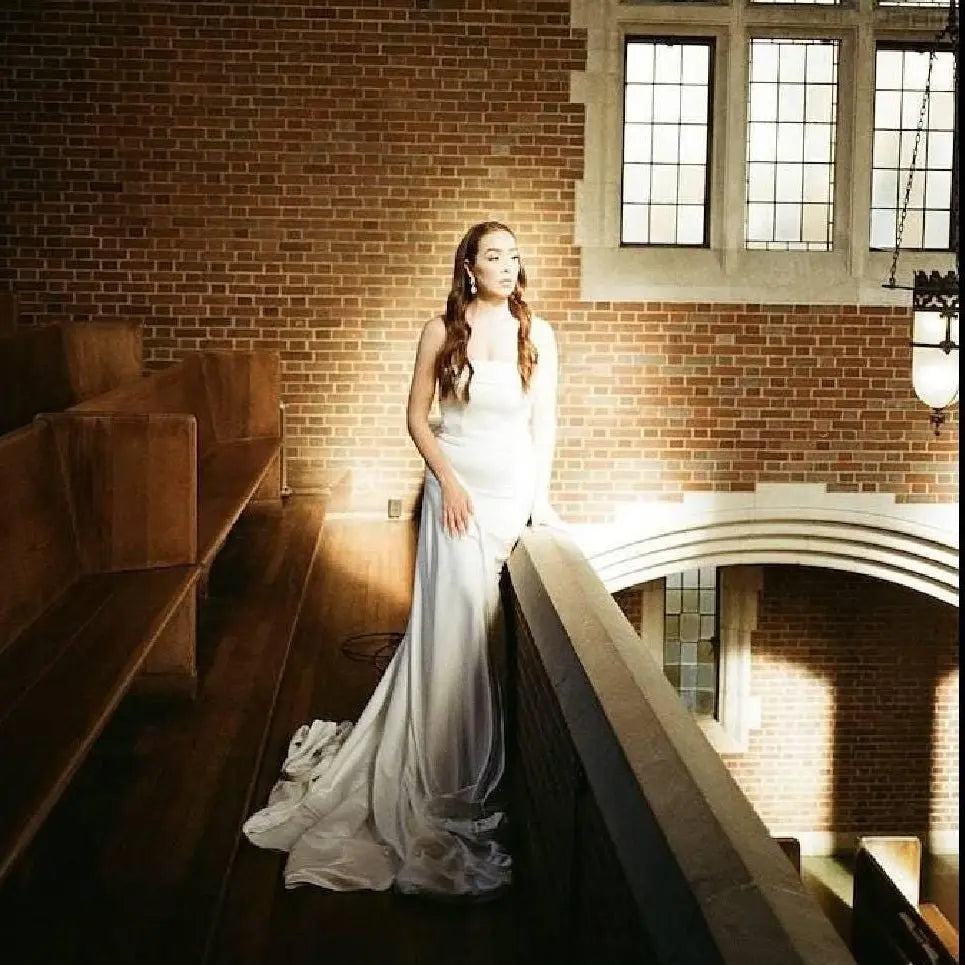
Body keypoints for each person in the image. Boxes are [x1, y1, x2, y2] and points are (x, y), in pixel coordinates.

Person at [242, 221, 561, 898]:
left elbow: (544, 423)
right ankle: (440, 763)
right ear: (468, 267)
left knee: (491, 627)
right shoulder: (440, 330)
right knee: (453, 633)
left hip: (510, 497)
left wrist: (541, 502)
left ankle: (464, 754)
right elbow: (417, 417)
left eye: (513, 256)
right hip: (458, 498)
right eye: (492, 255)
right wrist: (447, 481)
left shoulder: (539, 334)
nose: (506, 265)